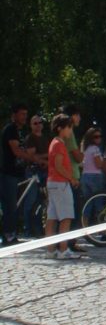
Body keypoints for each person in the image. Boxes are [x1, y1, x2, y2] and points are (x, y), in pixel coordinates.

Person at [1, 103, 37, 246]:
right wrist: (33, 158)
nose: (24, 117)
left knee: (14, 205)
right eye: (22, 114)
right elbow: (16, 151)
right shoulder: (10, 129)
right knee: (9, 205)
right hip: (7, 173)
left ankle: (12, 233)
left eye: (25, 114)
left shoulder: (20, 131)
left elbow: (24, 151)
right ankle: (8, 235)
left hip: (17, 173)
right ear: (14, 115)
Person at [46, 113, 79, 260]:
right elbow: (59, 166)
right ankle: (63, 250)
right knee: (66, 217)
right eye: (68, 127)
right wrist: (71, 178)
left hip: (53, 183)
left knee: (52, 218)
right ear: (60, 128)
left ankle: (51, 250)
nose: (70, 130)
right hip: (61, 184)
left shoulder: (54, 142)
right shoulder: (59, 144)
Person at [61, 104, 85, 252]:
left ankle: (69, 242)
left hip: (71, 176)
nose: (79, 118)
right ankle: (68, 243)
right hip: (70, 177)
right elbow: (77, 156)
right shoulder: (69, 135)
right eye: (77, 115)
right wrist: (82, 153)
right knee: (73, 212)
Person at [22, 114, 48, 238]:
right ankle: (28, 229)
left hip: (44, 172)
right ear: (31, 125)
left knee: (42, 201)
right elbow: (32, 156)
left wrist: (43, 158)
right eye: (35, 123)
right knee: (31, 200)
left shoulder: (45, 138)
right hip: (33, 172)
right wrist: (45, 157)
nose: (38, 125)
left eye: (39, 122)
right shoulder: (30, 138)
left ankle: (38, 228)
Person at [80, 127, 105, 204]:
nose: (99, 138)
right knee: (98, 202)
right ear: (91, 138)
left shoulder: (84, 149)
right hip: (95, 177)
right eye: (96, 137)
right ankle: (99, 216)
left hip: (84, 176)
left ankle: (85, 216)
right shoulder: (95, 149)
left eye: (100, 136)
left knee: (87, 204)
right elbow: (99, 165)